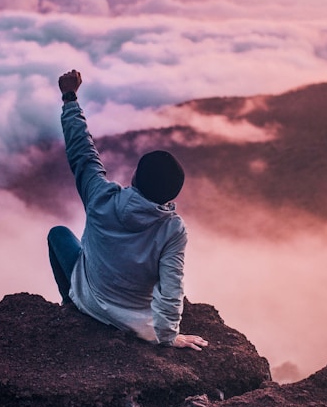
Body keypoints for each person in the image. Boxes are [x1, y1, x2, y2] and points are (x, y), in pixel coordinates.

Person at [47, 69, 208, 351]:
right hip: (135, 323)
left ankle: (70, 303)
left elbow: (82, 153)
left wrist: (69, 98)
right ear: (172, 194)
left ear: (135, 178)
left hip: (90, 301)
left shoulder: (101, 197)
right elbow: (172, 289)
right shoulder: (173, 229)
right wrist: (169, 337)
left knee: (58, 234)